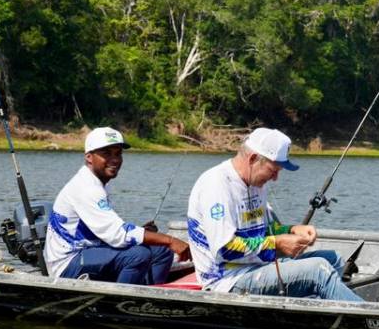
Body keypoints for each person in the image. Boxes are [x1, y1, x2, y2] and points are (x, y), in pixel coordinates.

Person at [185, 127, 362, 301]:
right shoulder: (216, 185)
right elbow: (224, 249)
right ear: (253, 159)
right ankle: (366, 321)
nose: (275, 178)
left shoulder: (255, 184)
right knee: (318, 270)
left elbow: (268, 229)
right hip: (227, 281)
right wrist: (277, 244)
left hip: (258, 267)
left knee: (334, 260)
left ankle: (325, 315)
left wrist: (292, 230)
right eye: (273, 171)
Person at [45, 126, 191, 284]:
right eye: (106, 153)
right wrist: (170, 240)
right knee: (139, 255)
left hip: (90, 250)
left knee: (162, 252)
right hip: (68, 263)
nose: (114, 159)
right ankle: (121, 302)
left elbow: (108, 230)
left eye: (118, 153)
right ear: (89, 157)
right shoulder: (86, 188)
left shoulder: (99, 184)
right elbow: (117, 234)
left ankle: (151, 298)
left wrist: (145, 234)